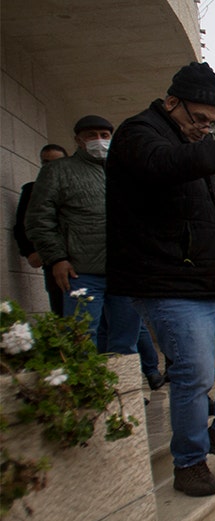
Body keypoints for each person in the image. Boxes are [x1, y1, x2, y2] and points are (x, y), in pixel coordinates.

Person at [106, 61, 215, 497]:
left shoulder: (191, 145)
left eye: (212, 123)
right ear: (171, 102)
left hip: (209, 278)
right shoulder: (138, 135)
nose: (204, 129)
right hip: (164, 280)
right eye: (197, 119)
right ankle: (189, 462)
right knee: (194, 373)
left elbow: (208, 212)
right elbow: (166, 166)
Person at [25, 116, 140, 355]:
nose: (99, 140)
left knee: (126, 340)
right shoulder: (58, 171)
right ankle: (87, 392)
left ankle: (123, 391)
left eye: (104, 135)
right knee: (80, 339)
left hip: (125, 272)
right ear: (78, 140)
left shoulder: (124, 170)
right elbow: (39, 219)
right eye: (91, 135)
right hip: (81, 272)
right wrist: (56, 258)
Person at [13, 144, 68, 315]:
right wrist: (30, 252)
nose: (51, 168)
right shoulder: (32, 190)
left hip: (85, 261)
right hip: (53, 261)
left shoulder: (77, 187)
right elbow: (22, 225)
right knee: (61, 312)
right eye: (46, 163)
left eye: (57, 163)